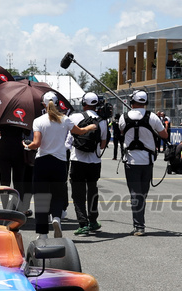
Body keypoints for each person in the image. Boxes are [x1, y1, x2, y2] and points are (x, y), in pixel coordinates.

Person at [25, 93, 83, 236]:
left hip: (42, 160)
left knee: (41, 197)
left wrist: (26, 146)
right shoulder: (64, 119)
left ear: (43, 104)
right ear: (57, 103)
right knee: (57, 194)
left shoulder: (38, 120)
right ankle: (56, 217)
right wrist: (91, 127)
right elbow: (79, 131)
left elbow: (36, 144)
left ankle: (42, 233)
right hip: (59, 161)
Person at [117, 90, 168, 236]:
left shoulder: (123, 117)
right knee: (142, 194)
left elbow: (122, 132)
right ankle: (139, 224)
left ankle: (139, 225)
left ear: (132, 101)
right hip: (147, 161)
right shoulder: (152, 117)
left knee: (135, 194)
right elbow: (164, 134)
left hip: (131, 160)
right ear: (145, 102)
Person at [68, 92, 109, 236]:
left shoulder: (74, 117)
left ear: (83, 103)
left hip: (77, 160)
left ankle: (82, 223)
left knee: (78, 194)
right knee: (92, 191)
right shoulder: (102, 121)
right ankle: (93, 221)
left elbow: (68, 139)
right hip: (94, 161)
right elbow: (103, 144)